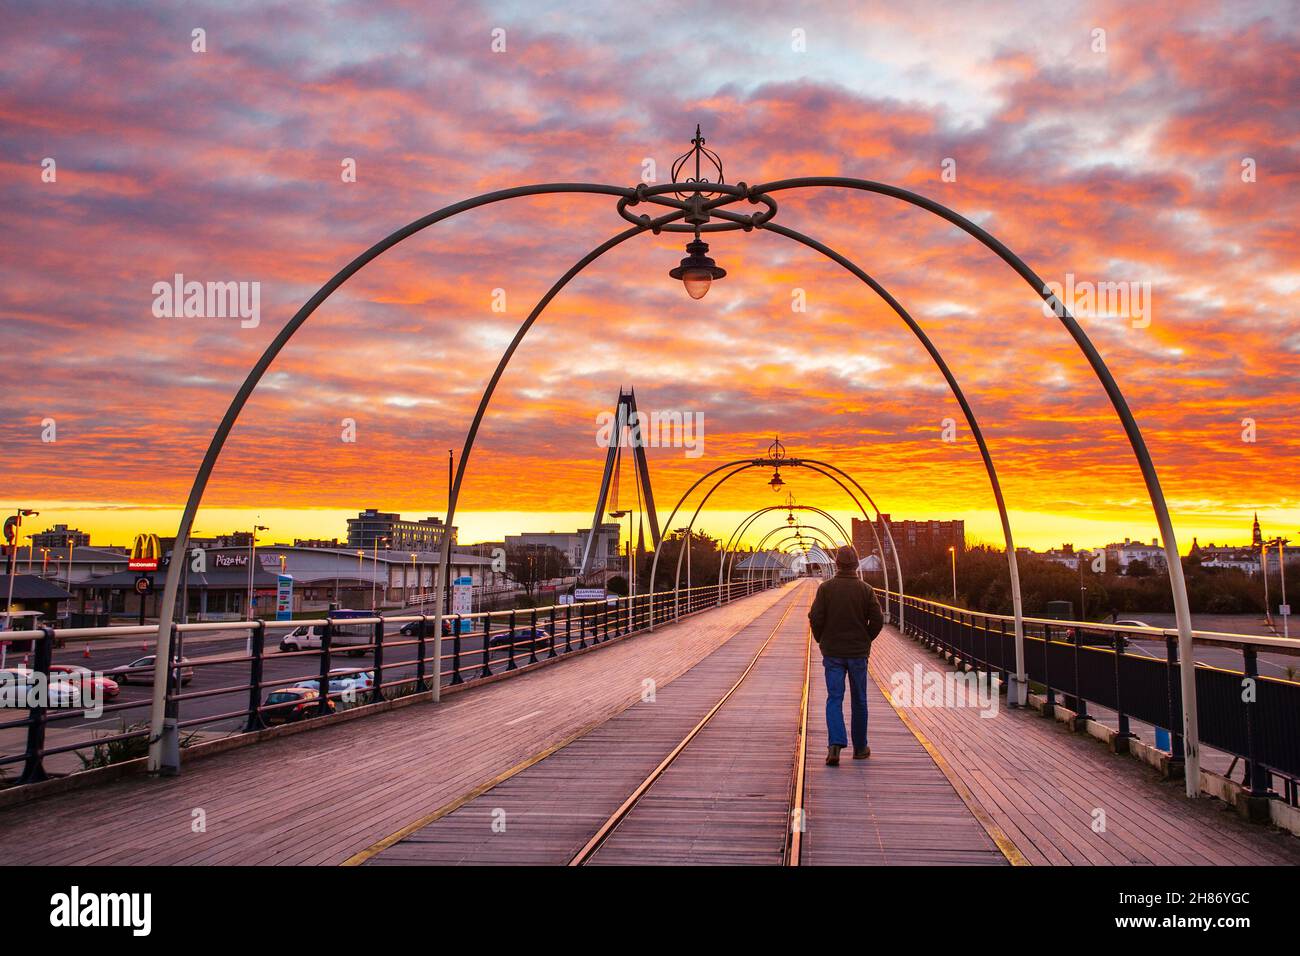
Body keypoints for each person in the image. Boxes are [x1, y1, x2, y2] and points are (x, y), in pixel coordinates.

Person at [808, 544, 883, 765]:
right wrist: (866, 639)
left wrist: (822, 639)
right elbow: (877, 619)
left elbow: (815, 617)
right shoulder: (865, 590)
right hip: (858, 653)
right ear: (856, 564)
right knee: (859, 699)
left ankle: (835, 745)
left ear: (837, 564)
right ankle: (860, 748)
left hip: (833, 653)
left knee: (834, 698)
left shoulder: (826, 589)